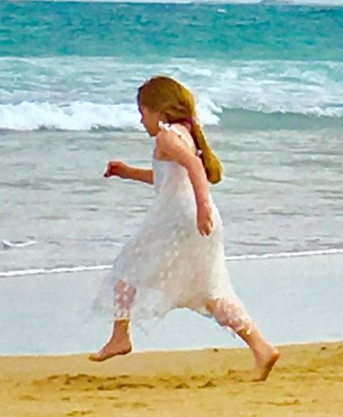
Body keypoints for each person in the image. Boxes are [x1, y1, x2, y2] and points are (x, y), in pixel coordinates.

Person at [90, 75, 279, 381]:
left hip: (181, 219)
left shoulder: (167, 137)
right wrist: (127, 172)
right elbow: (169, 179)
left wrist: (202, 207)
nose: (141, 121)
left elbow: (194, 167)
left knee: (127, 266)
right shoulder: (185, 133)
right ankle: (262, 348)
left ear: (158, 110)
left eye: (142, 113)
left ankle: (120, 337)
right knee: (212, 292)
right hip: (201, 221)